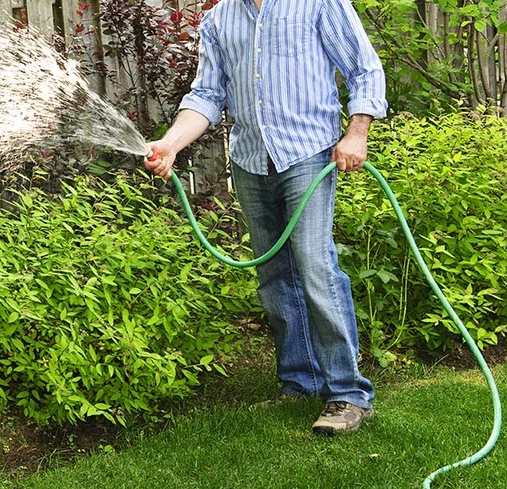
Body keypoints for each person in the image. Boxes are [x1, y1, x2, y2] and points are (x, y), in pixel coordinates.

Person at [144, 0, 387, 435]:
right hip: (251, 160)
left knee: (315, 267)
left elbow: (364, 69)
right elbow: (206, 95)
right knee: (274, 276)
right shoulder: (219, 19)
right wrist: (171, 144)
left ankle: (348, 393)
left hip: (308, 154)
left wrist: (357, 133)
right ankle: (300, 383)